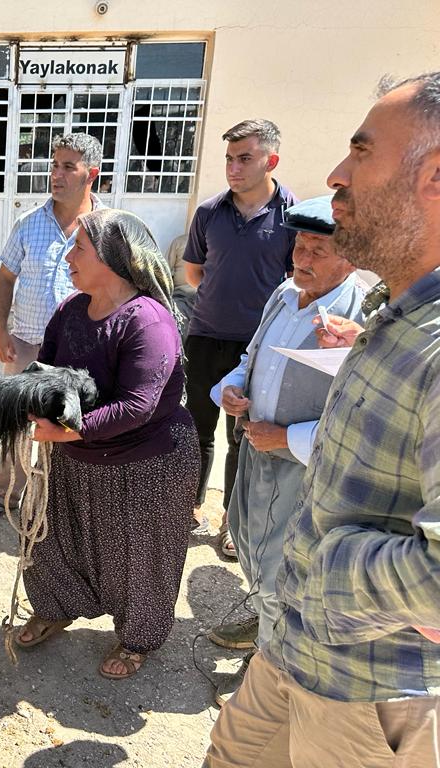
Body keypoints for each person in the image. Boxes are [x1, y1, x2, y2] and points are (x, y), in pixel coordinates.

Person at [206, 70, 440, 767]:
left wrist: (324, 560)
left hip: (371, 694)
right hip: (294, 649)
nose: (337, 174)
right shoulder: (391, 315)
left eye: (362, 153)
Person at [13, 208, 200, 680]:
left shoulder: (147, 321)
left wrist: (67, 431)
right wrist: (29, 407)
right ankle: (57, 606)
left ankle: (137, 639)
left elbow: (138, 405)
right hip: (78, 457)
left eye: (79, 248)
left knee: (140, 555)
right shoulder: (70, 311)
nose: (69, 256)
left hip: (146, 463)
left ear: (115, 259)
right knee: (59, 537)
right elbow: (47, 373)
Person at [205, 196, 365, 706]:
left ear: (352, 256)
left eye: (319, 249)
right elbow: (252, 356)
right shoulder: (283, 293)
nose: (303, 258)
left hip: (303, 468)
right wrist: (228, 390)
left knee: (283, 569)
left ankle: (267, 680)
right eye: (300, 244)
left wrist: (288, 439)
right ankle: (263, 623)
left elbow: (361, 417)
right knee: (249, 544)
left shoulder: (361, 315)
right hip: (256, 453)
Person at [183, 119, 298, 555]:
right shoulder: (209, 212)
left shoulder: (292, 214)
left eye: (245, 158)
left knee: (243, 436)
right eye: (229, 158)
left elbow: (296, 280)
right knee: (196, 428)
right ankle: (188, 506)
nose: (234, 167)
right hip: (205, 336)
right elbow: (195, 273)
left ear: (271, 160)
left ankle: (232, 521)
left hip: (258, 347)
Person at [0, 132, 105, 522]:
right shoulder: (27, 224)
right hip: (25, 344)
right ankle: (5, 495)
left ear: (92, 173)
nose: (56, 174)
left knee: (67, 428)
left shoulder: (106, 229)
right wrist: (0, 332)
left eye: (67, 166)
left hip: (77, 354)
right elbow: (5, 280)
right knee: (15, 426)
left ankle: (53, 504)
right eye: (53, 165)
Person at [164, 232, 197, 336]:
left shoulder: (220, 247)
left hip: (207, 299)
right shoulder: (180, 242)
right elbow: (164, 273)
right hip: (180, 296)